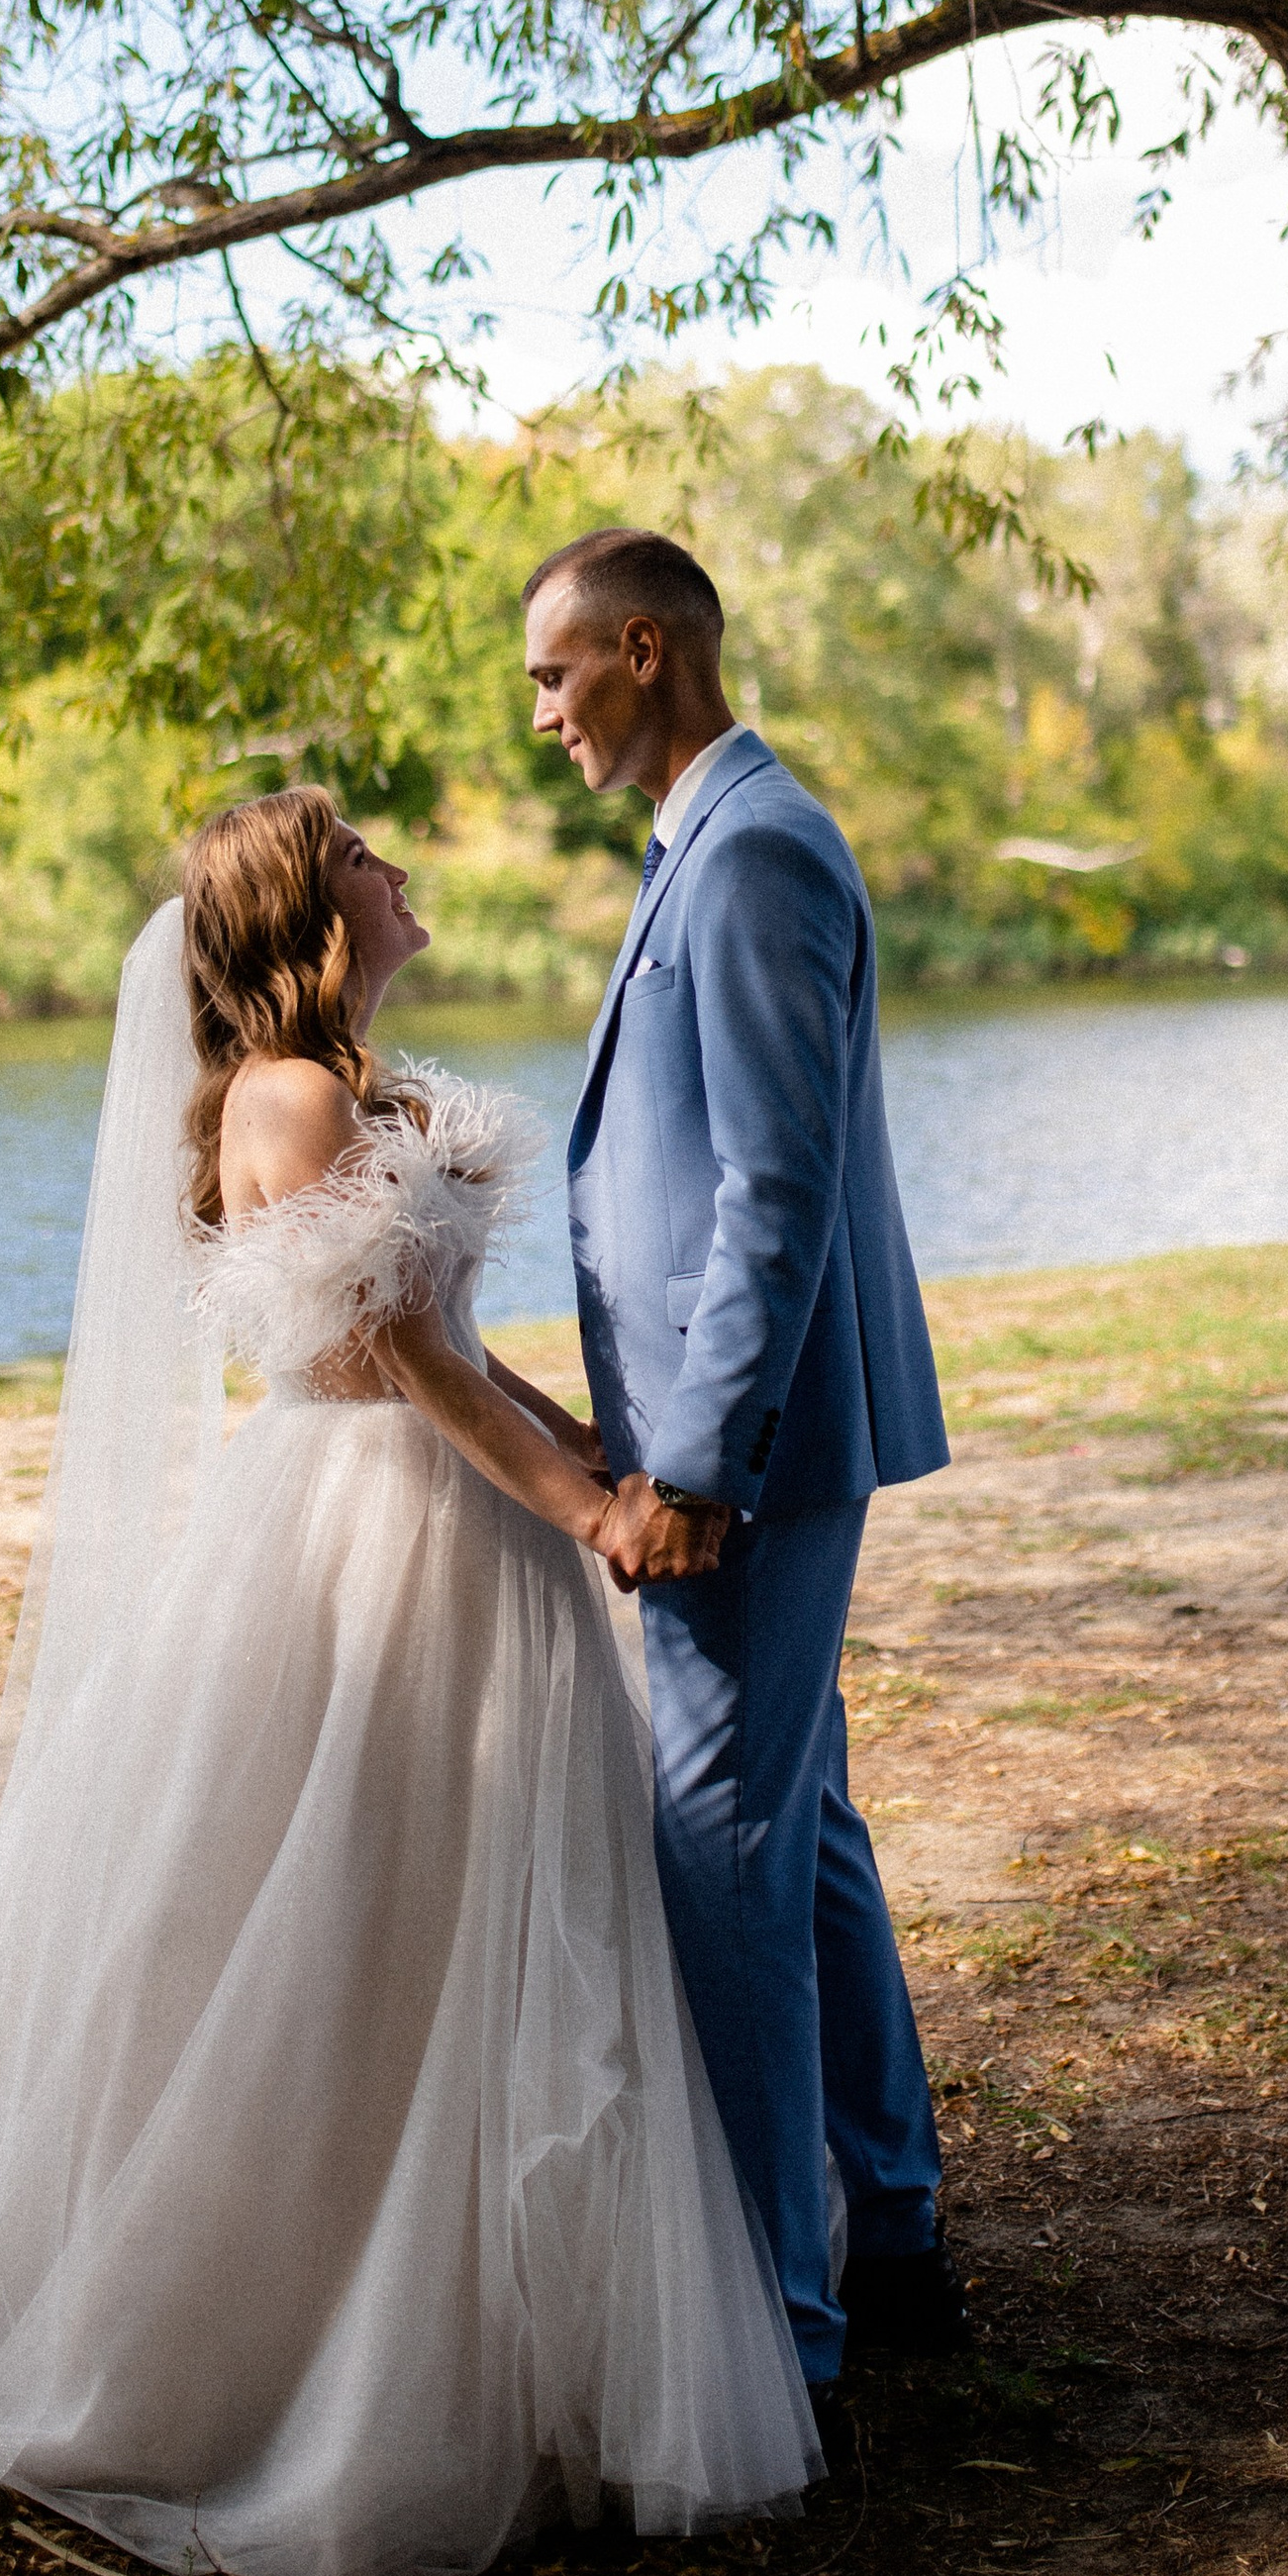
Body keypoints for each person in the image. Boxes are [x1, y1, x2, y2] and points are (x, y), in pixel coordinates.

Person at [0, 786, 820, 2576]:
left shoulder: (354, 1079)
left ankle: (478, 2316)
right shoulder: (293, 1095)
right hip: (362, 1529)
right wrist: (586, 1514)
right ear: (314, 908)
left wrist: (608, 1452)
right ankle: (286, 2326)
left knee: (447, 1908)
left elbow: (456, 1349)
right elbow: (391, 1360)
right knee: (335, 1905)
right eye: (368, 856)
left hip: (449, 1505)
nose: (403, 869)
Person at [524, 526, 966, 2396]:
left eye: (556, 675)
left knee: (723, 1844)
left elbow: (775, 1191)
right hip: (740, 1437)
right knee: (812, 1832)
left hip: (750, 1457)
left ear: (645, 650)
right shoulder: (708, 836)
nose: (541, 713)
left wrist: (693, 1462)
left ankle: (786, 2320)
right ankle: (890, 2225)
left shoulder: (759, 846)